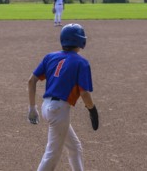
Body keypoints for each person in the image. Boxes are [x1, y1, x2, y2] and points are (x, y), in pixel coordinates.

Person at [27, 23, 99, 171]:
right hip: (59, 111)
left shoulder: (50, 57)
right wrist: (92, 110)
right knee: (52, 155)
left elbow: (31, 81)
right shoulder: (81, 62)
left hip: (47, 107)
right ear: (80, 41)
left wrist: (32, 108)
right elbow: (84, 93)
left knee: (75, 147)